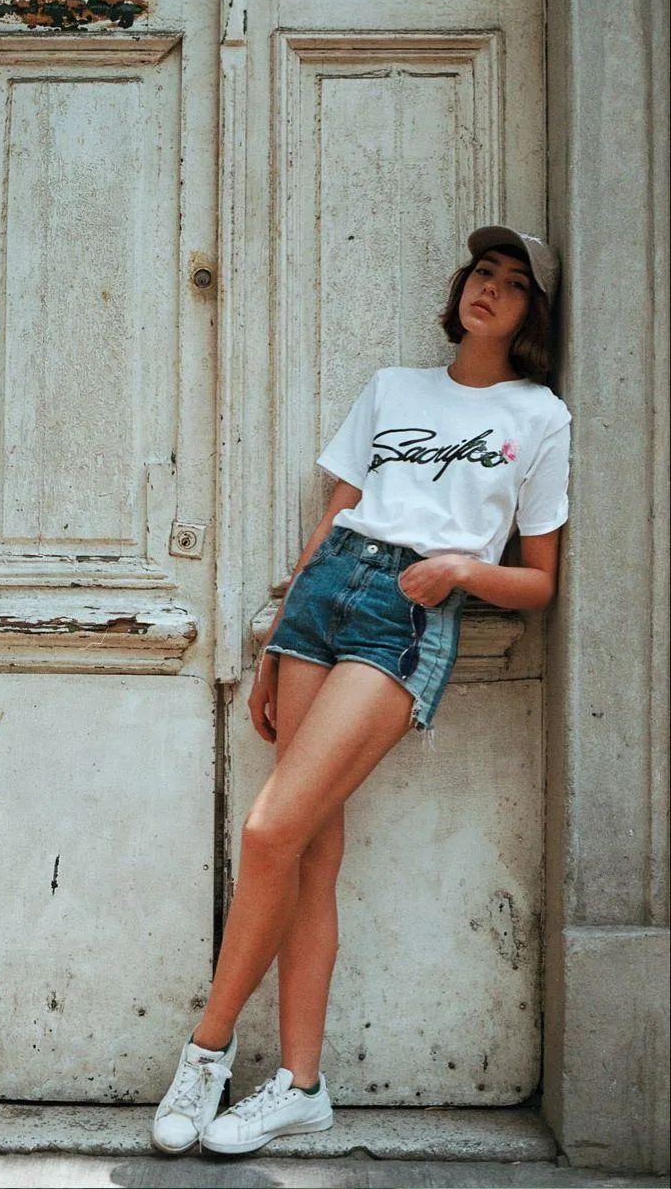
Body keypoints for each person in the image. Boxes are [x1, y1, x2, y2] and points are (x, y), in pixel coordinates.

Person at [151, 225, 571, 1156]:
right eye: (483, 273)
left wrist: (460, 570)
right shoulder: (394, 389)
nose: (490, 290)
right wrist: (276, 639)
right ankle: (301, 1087)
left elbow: (539, 581)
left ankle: (206, 1054)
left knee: (268, 829)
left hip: (406, 614)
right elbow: (336, 514)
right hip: (326, 592)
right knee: (306, 852)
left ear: (531, 314)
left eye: (514, 284)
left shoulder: (540, 416)